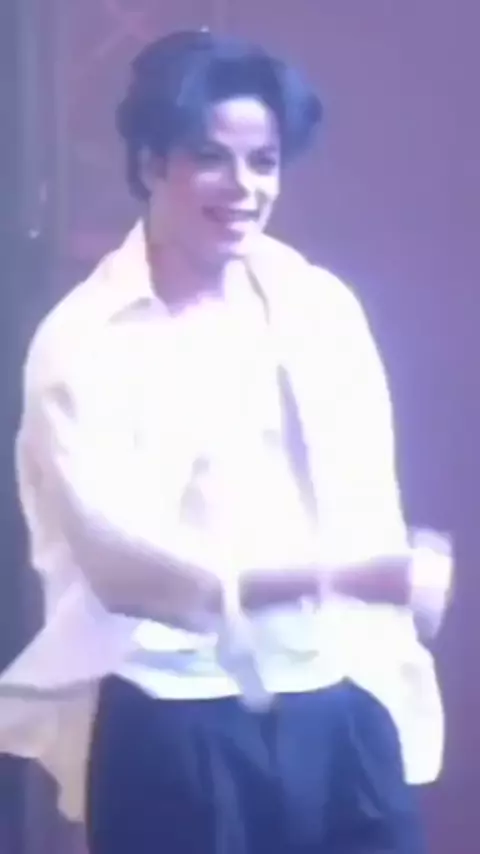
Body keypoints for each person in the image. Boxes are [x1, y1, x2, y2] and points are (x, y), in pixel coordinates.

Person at [0, 28, 452, 854]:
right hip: (174, 711)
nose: (243, 187)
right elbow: (125, 571)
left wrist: (391, 584)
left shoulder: (318, 306)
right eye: (211, 159)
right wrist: (349, 575)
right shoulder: (85, 341)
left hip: (337, 694)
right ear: (150, 165)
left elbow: (364, 498)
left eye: (263, 162)